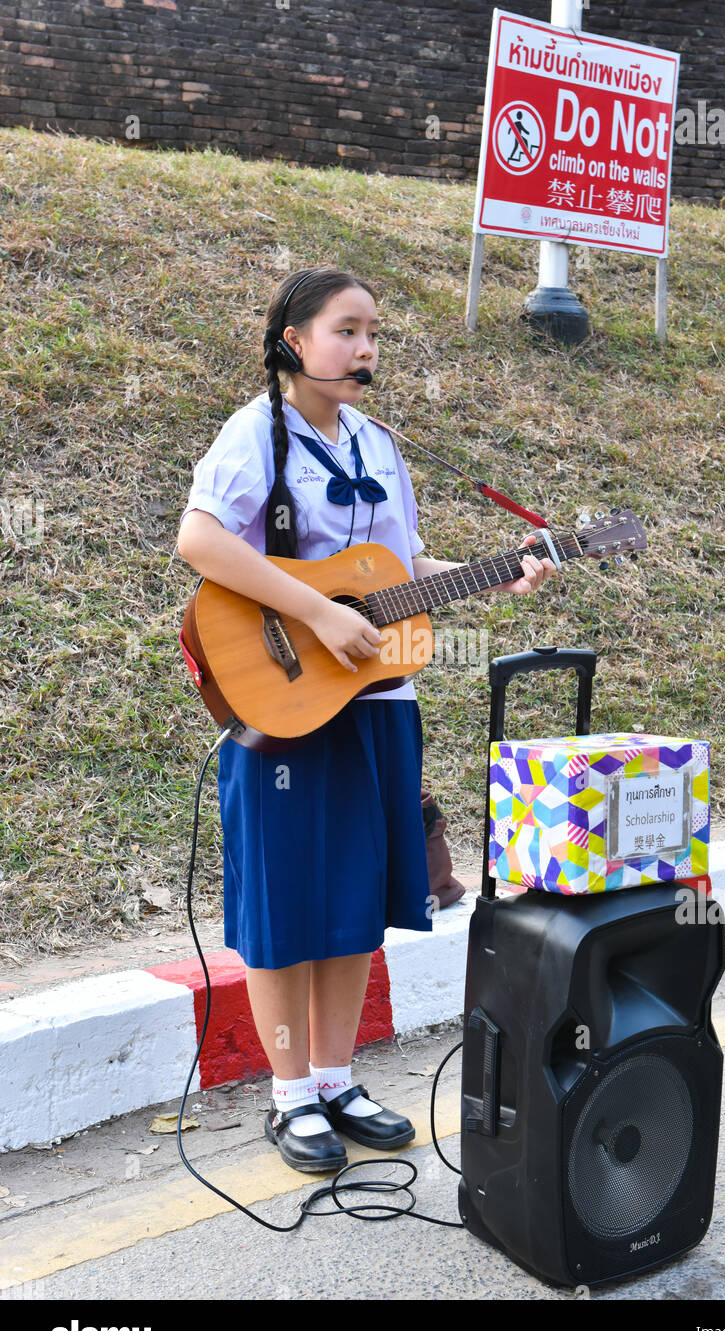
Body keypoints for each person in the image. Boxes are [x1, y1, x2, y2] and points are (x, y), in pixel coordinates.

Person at [176, 266, 557, 1174]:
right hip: (282, 707)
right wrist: (314, 612)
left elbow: (400, 563)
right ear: (292, 341)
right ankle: (289, 1094)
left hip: (375, 700)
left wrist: (496, 571)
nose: (365, 349)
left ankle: (337, 1079)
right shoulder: (253, 436)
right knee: (281, 909)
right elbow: (199, 538)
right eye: (346, 330)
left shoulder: (378, 442)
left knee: (351, 904)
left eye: (373, 333)